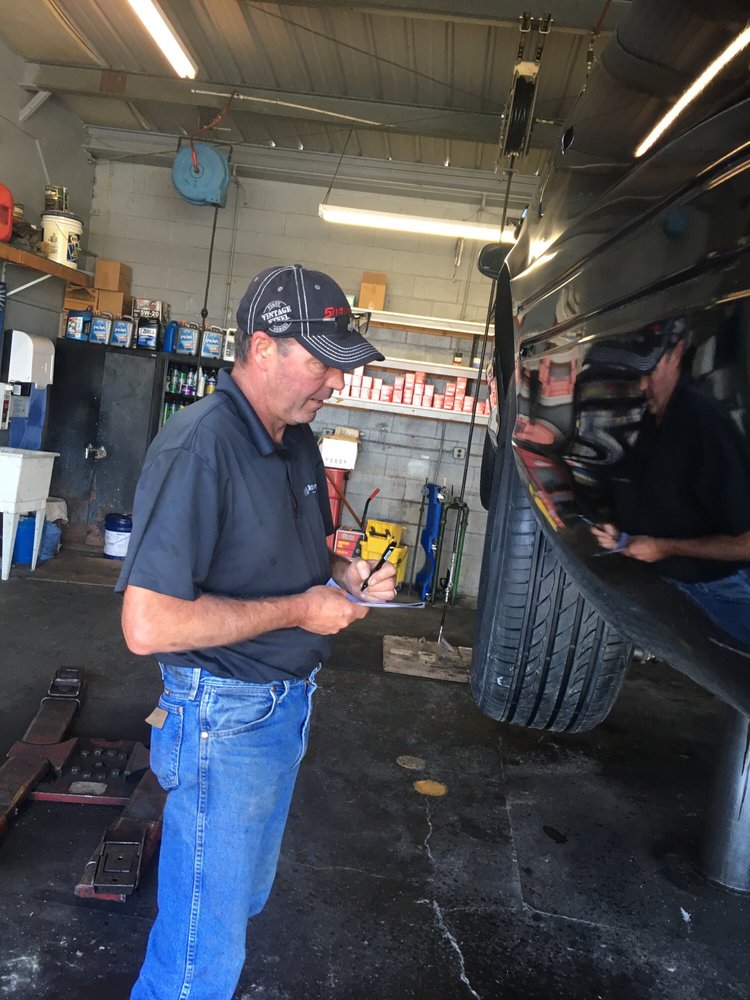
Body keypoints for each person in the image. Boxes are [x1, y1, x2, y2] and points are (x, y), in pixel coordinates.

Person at [116, 264, 397, 1000]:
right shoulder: (200, 447)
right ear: (262, 347)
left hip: (278, 709)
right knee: (199, 958)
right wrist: (301, 610)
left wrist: (344, 573)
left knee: (233, 910)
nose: (334, 381)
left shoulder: (295, 437)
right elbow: (148, 623)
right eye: (321, 363)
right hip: (223, 716)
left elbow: (289, 554)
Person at [588, 316, 750, 646]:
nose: (642, 385)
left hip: (720, 590)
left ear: (676, 354)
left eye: (650, 371)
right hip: (670, 577)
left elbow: (746, 543)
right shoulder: (656, 415)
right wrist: (619, 533)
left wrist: (664, 548)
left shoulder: (704, 423)